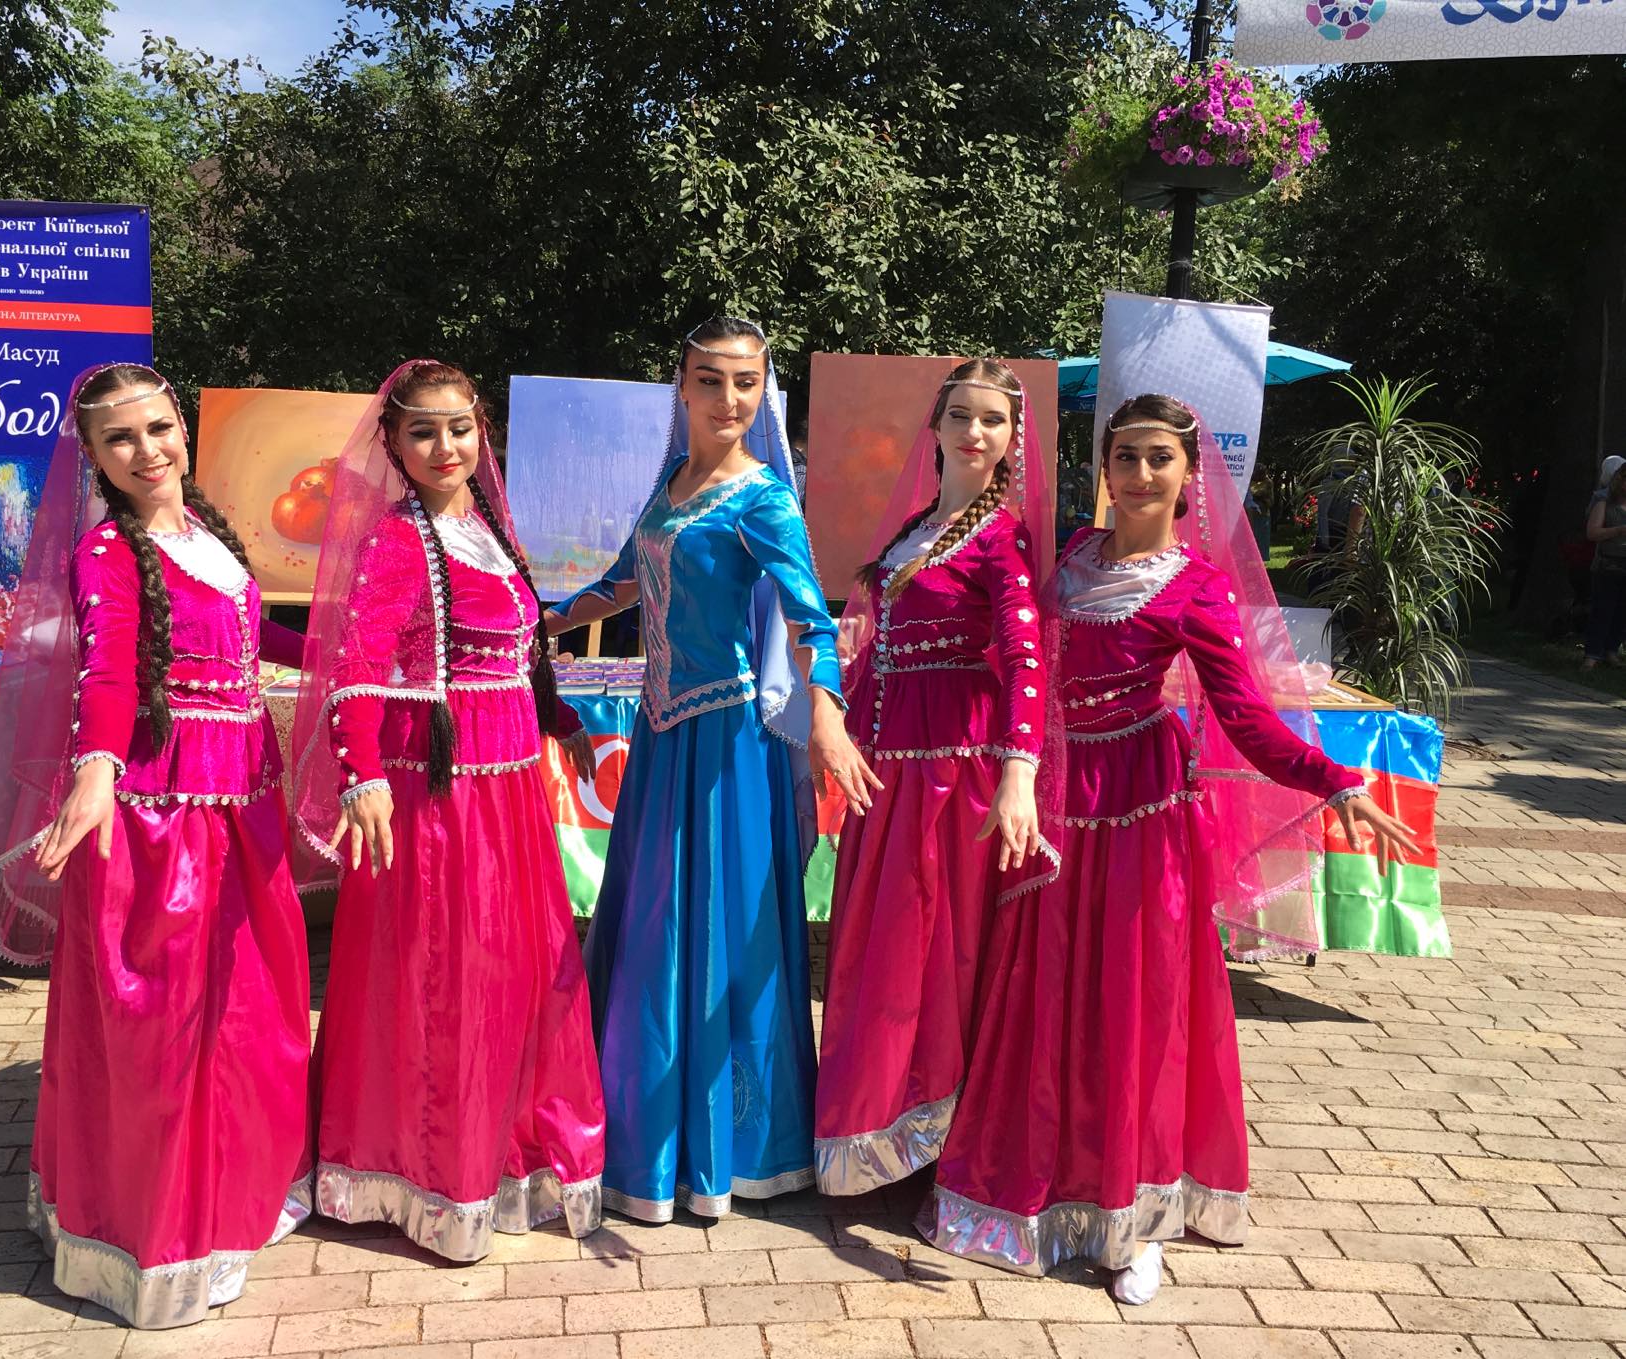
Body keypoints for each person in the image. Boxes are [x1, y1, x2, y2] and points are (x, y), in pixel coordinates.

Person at [918, 393, 1417, 1305]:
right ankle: (1044, 1184)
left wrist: (1336, 780)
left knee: (1133, 1011)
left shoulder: (1198, 588)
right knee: (1040, 999)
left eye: (1159, 458)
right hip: (1052, 806)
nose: (1140, 473)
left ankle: (1138, 1217)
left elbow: (1248, 720)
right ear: (1103, 468)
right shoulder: (1070, 554)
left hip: (1140, 815)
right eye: (1125, 456)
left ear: (1190, 475)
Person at [0, 363, 313, 1328]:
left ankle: (234, 1190)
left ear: (182, 429)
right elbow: (110, 669)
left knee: (247, 1011)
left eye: (159, 428)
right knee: (162, 1026)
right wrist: (96, 771)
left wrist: (336, 652)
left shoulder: (205, 535)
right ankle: (156, 1232)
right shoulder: (107, 554)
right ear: (94, 457)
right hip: (164, 818)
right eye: (121, 438)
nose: (147, 450)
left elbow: (252, 637)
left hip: (242, 805)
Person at [543, 316, 878, 1222]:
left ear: (762, 391)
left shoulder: (762, 497)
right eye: (710, 380)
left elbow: (810, 617)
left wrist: (826, 712)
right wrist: (536, 620)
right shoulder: (672, 487)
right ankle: (645, 1141)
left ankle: (728, 1148)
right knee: (652, 931)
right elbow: (620, 584)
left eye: (746, 382)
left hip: (726, 748)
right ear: (682, 386)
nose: (729, 399)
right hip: (663, 745)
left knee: (711, 931)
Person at [291, 359, 607, 1260]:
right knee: (445, 976)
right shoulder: (399, 539)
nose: (445, 446)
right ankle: (432, 1170)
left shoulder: (486, 530)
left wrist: (561, 720)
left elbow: (519, 652)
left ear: (481, 432)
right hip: (440, 797)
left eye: (459, 427)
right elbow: (358, 664)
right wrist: (362, 774)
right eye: (423, 431)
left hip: (507, 794)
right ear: (393, 443)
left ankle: (506, 1149)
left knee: (512, 972)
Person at [812, 358, 1060, 1196]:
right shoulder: (920, 529)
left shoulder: (1001, 537)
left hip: (950, 774)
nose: (975, 431)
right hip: (888, 768)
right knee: (873, 948)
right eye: (961, 415)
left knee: (929, 951)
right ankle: (871, 1128)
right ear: (937, 426)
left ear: (1012, 437)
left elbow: (1026, 658)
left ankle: (927, 1137)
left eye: (993, 419)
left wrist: (1019, 772)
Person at [1582, 455, 1626, 672]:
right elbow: (1592, 533)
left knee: (1622, 613)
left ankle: (1611, 650)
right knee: (1603, 611)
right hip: (1608, 565)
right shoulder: (1604, 502)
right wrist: (1619, 530)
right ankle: (1592, 655)